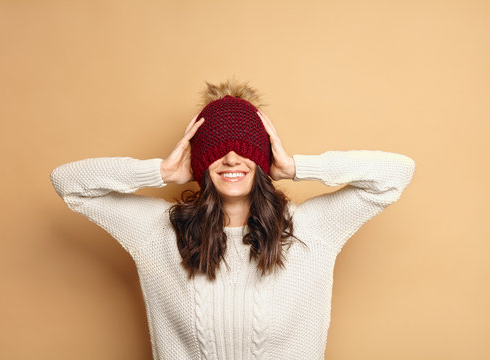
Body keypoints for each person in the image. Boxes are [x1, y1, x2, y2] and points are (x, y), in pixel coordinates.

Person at [50, 79, 415, 360]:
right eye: (218, 150)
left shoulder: (311, 229)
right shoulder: (159, 232)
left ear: (262, 159)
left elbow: (396, 174)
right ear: (200, 162)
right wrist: (161, 172)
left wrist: (295, 167)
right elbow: (69, 184)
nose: (231, 160)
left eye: (244, 149)